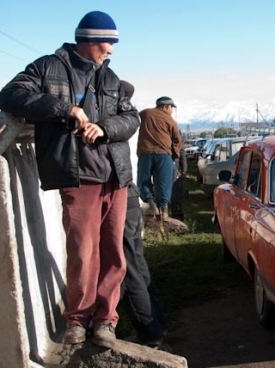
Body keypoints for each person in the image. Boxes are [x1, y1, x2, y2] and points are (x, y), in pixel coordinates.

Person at [0, 11, 140, 349]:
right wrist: (65, 110)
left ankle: (106, 321)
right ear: (90, 40)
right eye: (109, 42)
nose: (112, 50)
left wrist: (105, 128)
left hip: (115, 177)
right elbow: (10, 95)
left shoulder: (111, 78)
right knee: (82, 252)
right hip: (78, 177)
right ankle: (78, 320)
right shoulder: (48, 68)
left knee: (114, 253)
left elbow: (131, 118)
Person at [119, 81, 168, 348]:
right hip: (128, 190)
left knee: (126, 264)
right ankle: (157, 324)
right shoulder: (128, 116)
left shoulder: (132, 116)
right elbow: (176, 140)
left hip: (118, 190)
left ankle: (151, 332)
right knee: (135, 260)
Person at [137, 97, 183, 219]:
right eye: (171, 108)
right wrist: (173, 156)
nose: (172, 110)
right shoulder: (170, 120)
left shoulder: (145, 113)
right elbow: (177, 140)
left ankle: (151, 205)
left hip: (145, 153)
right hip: (164, 154)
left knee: (143, 179)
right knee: (165, 182)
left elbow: (132, 119)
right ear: (165, 107)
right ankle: (164, 211)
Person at [170, 141, 187, 221]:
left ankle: (177, 215)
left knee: (175, 195)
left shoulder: (178, 144)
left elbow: (183, 158)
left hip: (174, 172)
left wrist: (184, 170)